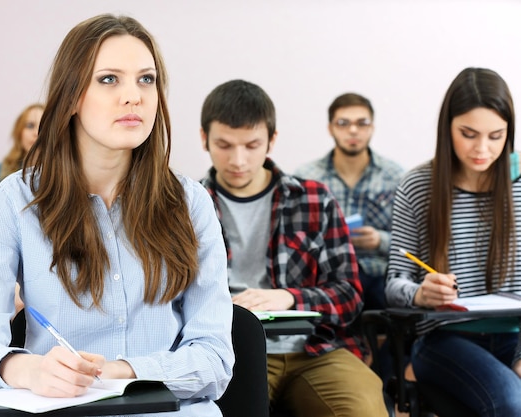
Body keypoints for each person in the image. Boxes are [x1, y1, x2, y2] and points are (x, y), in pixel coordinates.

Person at [0, 14, 234, 417]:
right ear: (71, 96)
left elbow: (214, 358)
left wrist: (120, 372)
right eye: (109, 79)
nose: (133, 96)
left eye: (146, 79)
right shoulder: (12, 202)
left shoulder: (191, 202)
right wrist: (27, 368)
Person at [199, 79, 387, 417]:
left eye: (252, 145)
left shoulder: (313, 199)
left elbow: (349, 294)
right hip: (230, 352)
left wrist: (289, 297)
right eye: (224, 145)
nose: (238, 160)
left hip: (315, 351)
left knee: (363, 408)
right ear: (204, 140)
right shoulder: (187, 206)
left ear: (272, 140)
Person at [385, 67, 521, 416]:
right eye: (468, 134)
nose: (482, 149)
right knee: (511, 403)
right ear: (447, 127)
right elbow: (395, 283)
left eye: (496, 136)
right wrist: (420, 293)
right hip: (446, 339)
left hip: (516, 333)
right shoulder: (418, 186)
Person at [294, 93, 404, 311]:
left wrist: (379, 240)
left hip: (378, 273)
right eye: (343, 123)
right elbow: (295, 240)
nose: (353, 130)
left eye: (361, 123)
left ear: (372, 127)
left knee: (393, 309)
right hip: (327, 275)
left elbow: (413, 241)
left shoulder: (395, 176)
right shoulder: (306, 177)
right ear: (330, 128)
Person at [0, 103, 44, 196]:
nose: (36, 133)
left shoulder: (62, 174)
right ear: (19, 132)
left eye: (43, 127)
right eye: (30, 126)